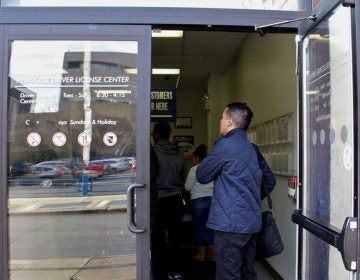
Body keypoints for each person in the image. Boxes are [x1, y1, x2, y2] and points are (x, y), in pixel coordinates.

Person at [196, 102, 274, 280]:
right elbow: (270, 180)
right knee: (247, 273)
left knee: (228, 275)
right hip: (251, 223)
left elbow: (202, 175)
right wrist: (250, 199)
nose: (220, 121)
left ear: (230, 121)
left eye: (222, 117)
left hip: (229, 225)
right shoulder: (253, 149)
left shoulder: (224, 146)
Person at [152, 121, 186, 280]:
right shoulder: (179, 153)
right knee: (176, 238)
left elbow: (150, 178)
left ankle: (159, 273)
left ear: (157, 135)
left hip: (158, 199)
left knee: (157, 238)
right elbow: (183, 177)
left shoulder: (153, 152)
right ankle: (176, 271)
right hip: (176, 199)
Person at [184, 144, 215, 262]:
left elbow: (187, 187)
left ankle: (201, 255)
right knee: (211, 227)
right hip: (212, 199)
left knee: (200, 227)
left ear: (197, 157)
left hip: (198, 200)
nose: (192, 160)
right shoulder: (212, 168)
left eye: (193, 158)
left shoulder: (194, 169)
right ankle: (213, 255)